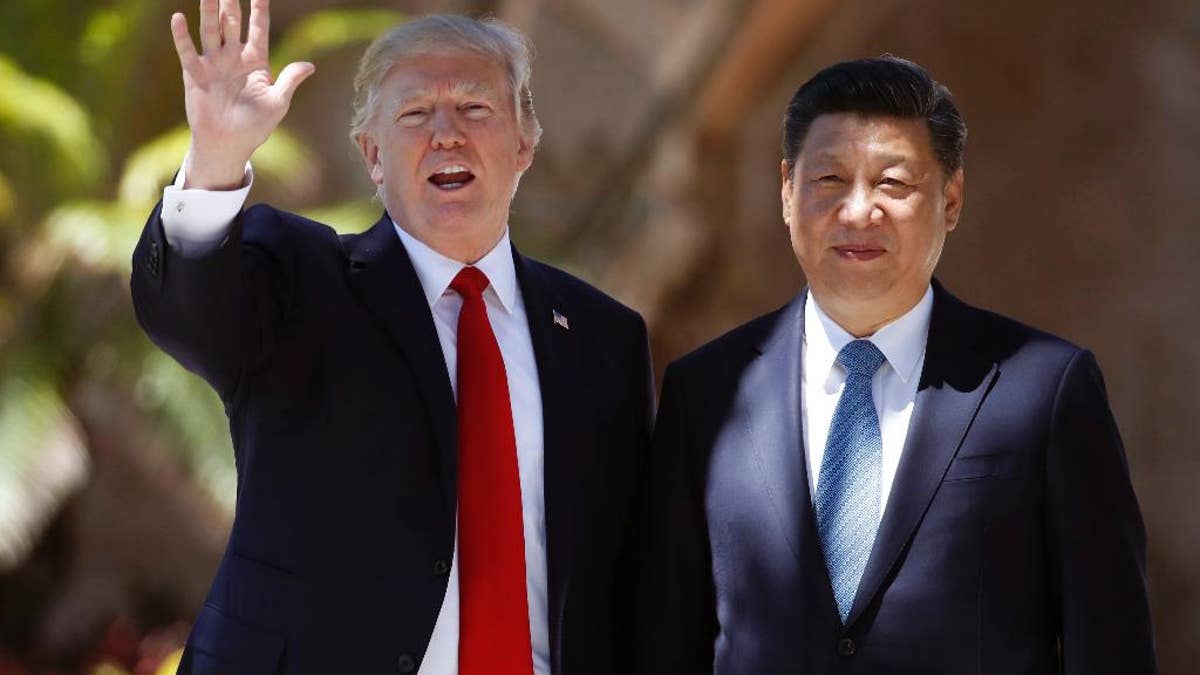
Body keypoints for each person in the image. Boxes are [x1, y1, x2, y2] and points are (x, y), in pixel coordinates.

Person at [130, 2, 653, 674]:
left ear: (525, 144)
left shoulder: (604, 338)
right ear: (372, 155)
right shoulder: (303, 280)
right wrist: (215, 158)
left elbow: (629, 573)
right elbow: (187, 308)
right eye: (414, 114)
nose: (446, 135)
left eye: (475, 108)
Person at [627, 56, 1156, 674]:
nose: (858, 211)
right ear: (786, 192)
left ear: (951, 199)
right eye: (829, 178)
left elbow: (1110, 645)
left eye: (893, 183)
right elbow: (662, 643)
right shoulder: (706, 393)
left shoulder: (1044, 389)